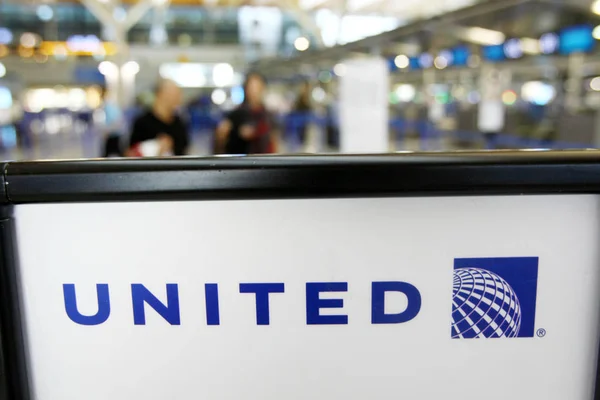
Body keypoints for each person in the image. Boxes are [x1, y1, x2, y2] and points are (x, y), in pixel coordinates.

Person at [215, 72, 275, 155]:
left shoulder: (268, 115)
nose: (254, 92)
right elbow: (221, 135)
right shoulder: (237, 114)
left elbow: (273, 140)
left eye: (257, 87)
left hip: (263, 161)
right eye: (251, 87)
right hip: (241, 161)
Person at [128, 79, 189, 157]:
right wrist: (155, 147)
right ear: (160, 94)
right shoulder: (142, 123)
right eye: (173, 95)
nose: (178, 99)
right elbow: (130, 153)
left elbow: (183, 151)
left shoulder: (179, 123)